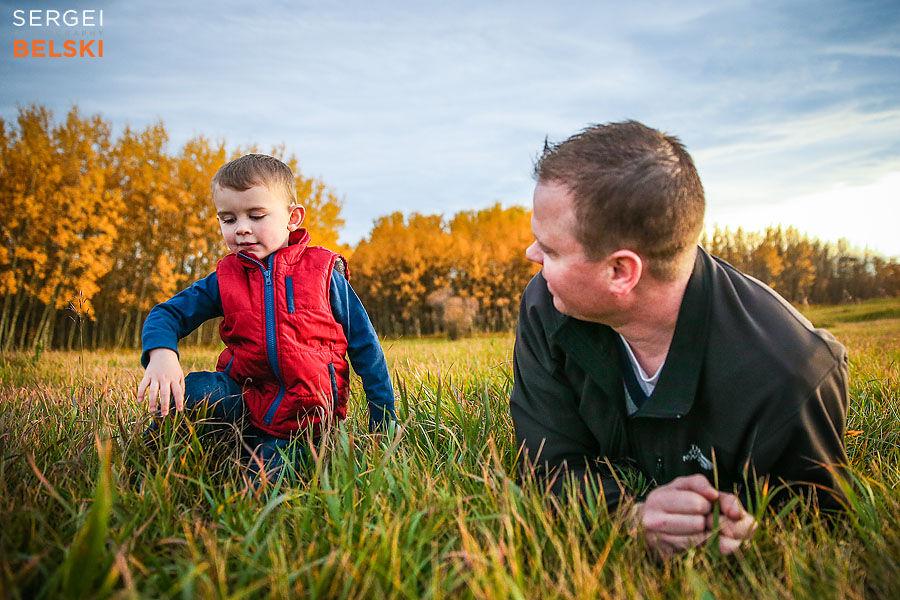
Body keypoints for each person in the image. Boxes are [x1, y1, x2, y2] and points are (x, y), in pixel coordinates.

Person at [509, 121, 849, 559]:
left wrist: (748, 537)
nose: (531, 256)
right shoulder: (547, 306)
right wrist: (627, 518)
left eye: (550, 249)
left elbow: (817, 533)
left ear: (620, 272)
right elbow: (546, 466)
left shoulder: (791, 375)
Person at [138, 154, 395, 485]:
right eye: (228, 220)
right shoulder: (226, 277)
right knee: (199, 391)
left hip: (302, 423)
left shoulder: (323, 272)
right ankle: (148, 459)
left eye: (256, 216)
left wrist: (382, 423)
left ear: (292, 217)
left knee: (260, 488)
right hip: (241, 405)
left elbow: (367, 349)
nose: (242, 229)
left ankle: (260, 463)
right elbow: (167, 313)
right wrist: (161, 355)